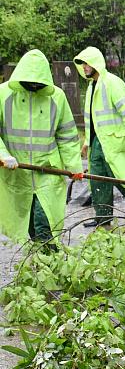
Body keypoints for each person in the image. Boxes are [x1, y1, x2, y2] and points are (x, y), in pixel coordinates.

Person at [0, 49, 82, 245]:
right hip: (16, 172)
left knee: (44, 221)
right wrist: (3, 154)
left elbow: (67, 135)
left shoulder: (57, 97)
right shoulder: (3, 94)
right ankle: (42, 263)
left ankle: (49, 262)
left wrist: (74, 167)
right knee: (27, 222)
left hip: (48, 170)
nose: (35, 86)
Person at [73, 47, 125, 227]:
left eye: (87, 63)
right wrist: (88, 142)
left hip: (113, 141)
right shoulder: (90, 87)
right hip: (98, 142)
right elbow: (91, 119)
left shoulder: (113, 83)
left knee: (118, 178)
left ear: (96, 63)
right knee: (97, 178)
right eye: (82, 64)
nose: (85, 67)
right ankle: (102, 217)